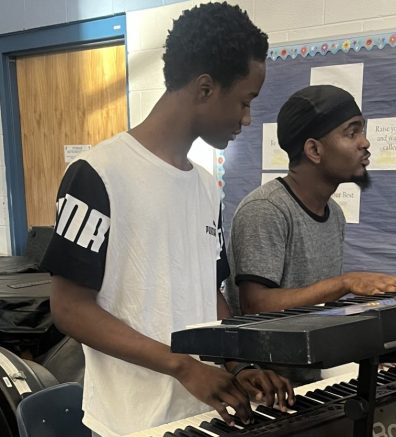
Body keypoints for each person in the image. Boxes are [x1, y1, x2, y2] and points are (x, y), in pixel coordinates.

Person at [40, 4, 293, 436]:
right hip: (131, 424)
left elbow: (207, 291)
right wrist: (181, 367)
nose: (247, 119)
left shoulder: (205, 185)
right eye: (245, 102)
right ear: (205, 89)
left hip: (203, 415)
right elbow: (69, 309)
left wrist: (237, 362)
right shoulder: (98, 174)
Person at [225, 85, 396, 384]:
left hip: (312, 379)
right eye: (351, 133)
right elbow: (256, 306)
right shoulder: (266, 209)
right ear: (314, 150)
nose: (365, 143)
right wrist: (345, 282)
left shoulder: (334, 214)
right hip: (264, 389)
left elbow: (315, 310)